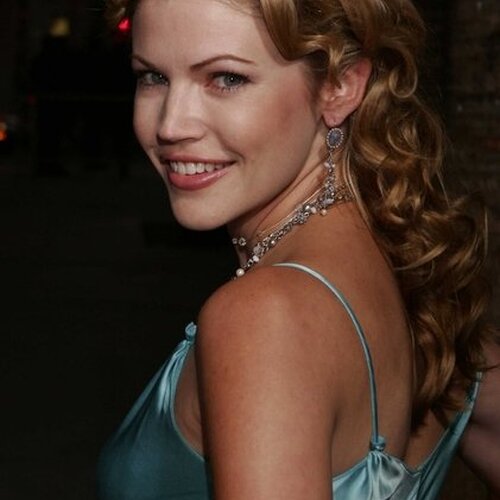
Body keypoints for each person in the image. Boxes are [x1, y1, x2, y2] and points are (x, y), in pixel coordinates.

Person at [97, 0, 500, 498]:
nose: (170, 125)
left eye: (226, 78)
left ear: (340, 85)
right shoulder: (417, 282)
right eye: (153, 77)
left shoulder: (263, 319)